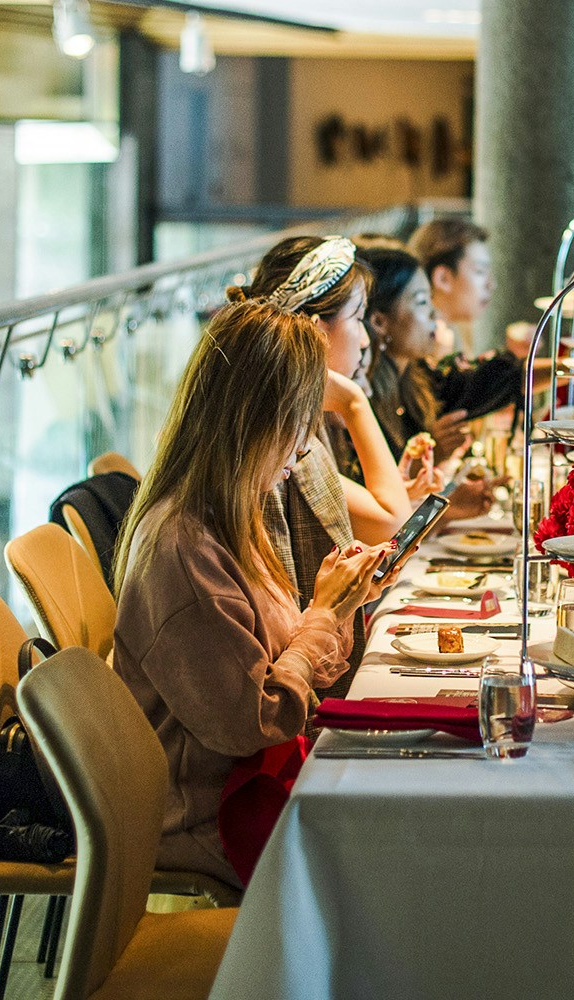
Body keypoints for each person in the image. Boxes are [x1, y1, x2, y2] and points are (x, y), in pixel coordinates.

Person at [113, 293, 391, 889]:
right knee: (400, 847)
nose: (301, 451)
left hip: (257, 779)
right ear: (252, 422)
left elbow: (287, 664)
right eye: (296, 429)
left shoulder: (231, 515)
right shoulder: (183, 549)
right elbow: (255, 720)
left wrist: (342, 603)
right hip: (213, 813)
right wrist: (323, 614)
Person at [244, 236, 427, 545]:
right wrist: (354, 402)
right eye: (357, 317)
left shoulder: (289, 411)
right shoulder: (287, 431)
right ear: (317, 330)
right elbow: (392, 527)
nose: (366, 339)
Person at [355, 245, 509, 519]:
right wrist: (447, 507)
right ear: (379, 321)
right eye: (422, 301)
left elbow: (488, 380)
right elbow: (372, 526)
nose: (434, 315)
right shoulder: (357, 401)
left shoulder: (415, 378)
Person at [408, 218, 494, 357]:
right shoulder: (417, 344)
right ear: (443, 279)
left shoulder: (455, 330)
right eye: (480, 271)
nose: (491, 285)